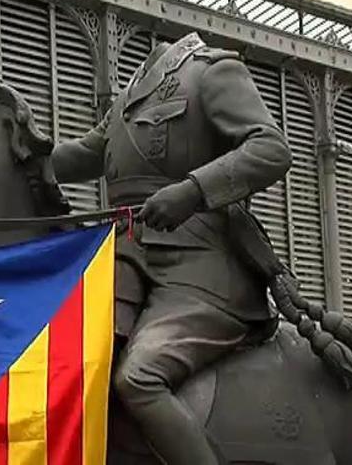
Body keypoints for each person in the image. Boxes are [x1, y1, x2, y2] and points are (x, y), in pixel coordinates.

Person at [51, 32, 292, 465]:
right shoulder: (129, 96)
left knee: (139, 378)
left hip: (200, 270)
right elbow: (83, 154)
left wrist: (193, 191)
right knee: (59, 356)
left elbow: (270, 149)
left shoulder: (212, 70)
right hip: (125, 263)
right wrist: (7, 151)